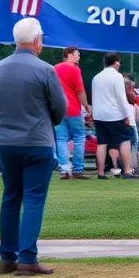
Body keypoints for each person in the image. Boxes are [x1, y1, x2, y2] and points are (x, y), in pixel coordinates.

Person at [0, 17, 67, 276]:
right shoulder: (45, 70)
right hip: (36, 140)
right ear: (36, 41)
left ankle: (6, 257)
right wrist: (48, 120)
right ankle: (28, 257)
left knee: (10, 196)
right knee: (33, 198)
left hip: (7, 142)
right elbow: (60, 108)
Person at [92, 52, 136, 180]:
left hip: (99, 115)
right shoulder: (117, 77)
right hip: (115, 114)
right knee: (124, 140)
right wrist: (127, 114)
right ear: (116, 62)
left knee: (102, 143)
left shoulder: (96, 77)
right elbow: (121, 98)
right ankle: (127, 170)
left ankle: (101, 172)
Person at [53, 46, 90, 180]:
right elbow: (80, 91)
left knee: (61, 139)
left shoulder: (54, 68)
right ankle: (78, 169)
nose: (79, 57)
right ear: (70, 55)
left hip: (58, 109)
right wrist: (86, 106)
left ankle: (65, 169)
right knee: (79, 138)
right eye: (77, 54)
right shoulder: (75, 69)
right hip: (73, 108)